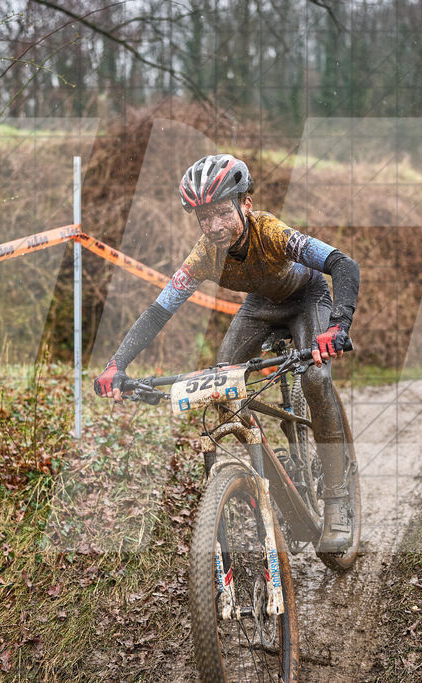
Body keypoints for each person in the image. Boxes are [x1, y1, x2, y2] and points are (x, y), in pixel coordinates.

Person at [93, 153, 360, 553]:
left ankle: (337, 503)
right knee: (222, 389)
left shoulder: (271, 233)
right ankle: (262, 481)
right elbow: (160, 310)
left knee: (316, 378)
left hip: (306, 299)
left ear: (245, 205)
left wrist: (338, 326)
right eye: (203, 217)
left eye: (221, 212)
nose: (214, 226)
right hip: (259, 308)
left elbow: (342, 263)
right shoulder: (204, 255)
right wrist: (117, 364)